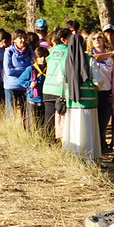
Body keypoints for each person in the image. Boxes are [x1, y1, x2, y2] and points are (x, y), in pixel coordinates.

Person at [63, 33, 101, 164]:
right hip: (89, 103)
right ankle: (89, 157)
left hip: (72, 103)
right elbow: (98, 81)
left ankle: (74, 156)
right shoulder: (90, 60)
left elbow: (60, 80)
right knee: (88, 131)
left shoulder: (66, 61)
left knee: (74, 130)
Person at [43, 28, 71, 139]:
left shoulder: (51, 51)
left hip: (48, 88)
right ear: (64, 40)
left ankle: (46, 142)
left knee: (49, 119)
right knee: (62, 121)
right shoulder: (69, 51)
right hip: (61, 90)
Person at [3, 30, 34, 119]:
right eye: (20, 38)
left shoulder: (30, 52)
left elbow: (32, 68)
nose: (23, 40)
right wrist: (25, 70)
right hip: (11, 85)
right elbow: (9, 71)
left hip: (24, 86)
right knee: (10, 112)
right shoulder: (9, 52)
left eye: (24, 38)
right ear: (14, 40)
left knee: (25, 113)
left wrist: (20, 70)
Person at [19, 45, 48, 131]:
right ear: (36, 58)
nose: (42, 59)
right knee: (33, 122)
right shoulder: (31, 69)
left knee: (43, 122)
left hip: (44, 99)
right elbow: (21, 80)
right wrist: (29, 84)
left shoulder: (49, 69)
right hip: (33, 99)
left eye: (44, 57)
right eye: (40, 57)